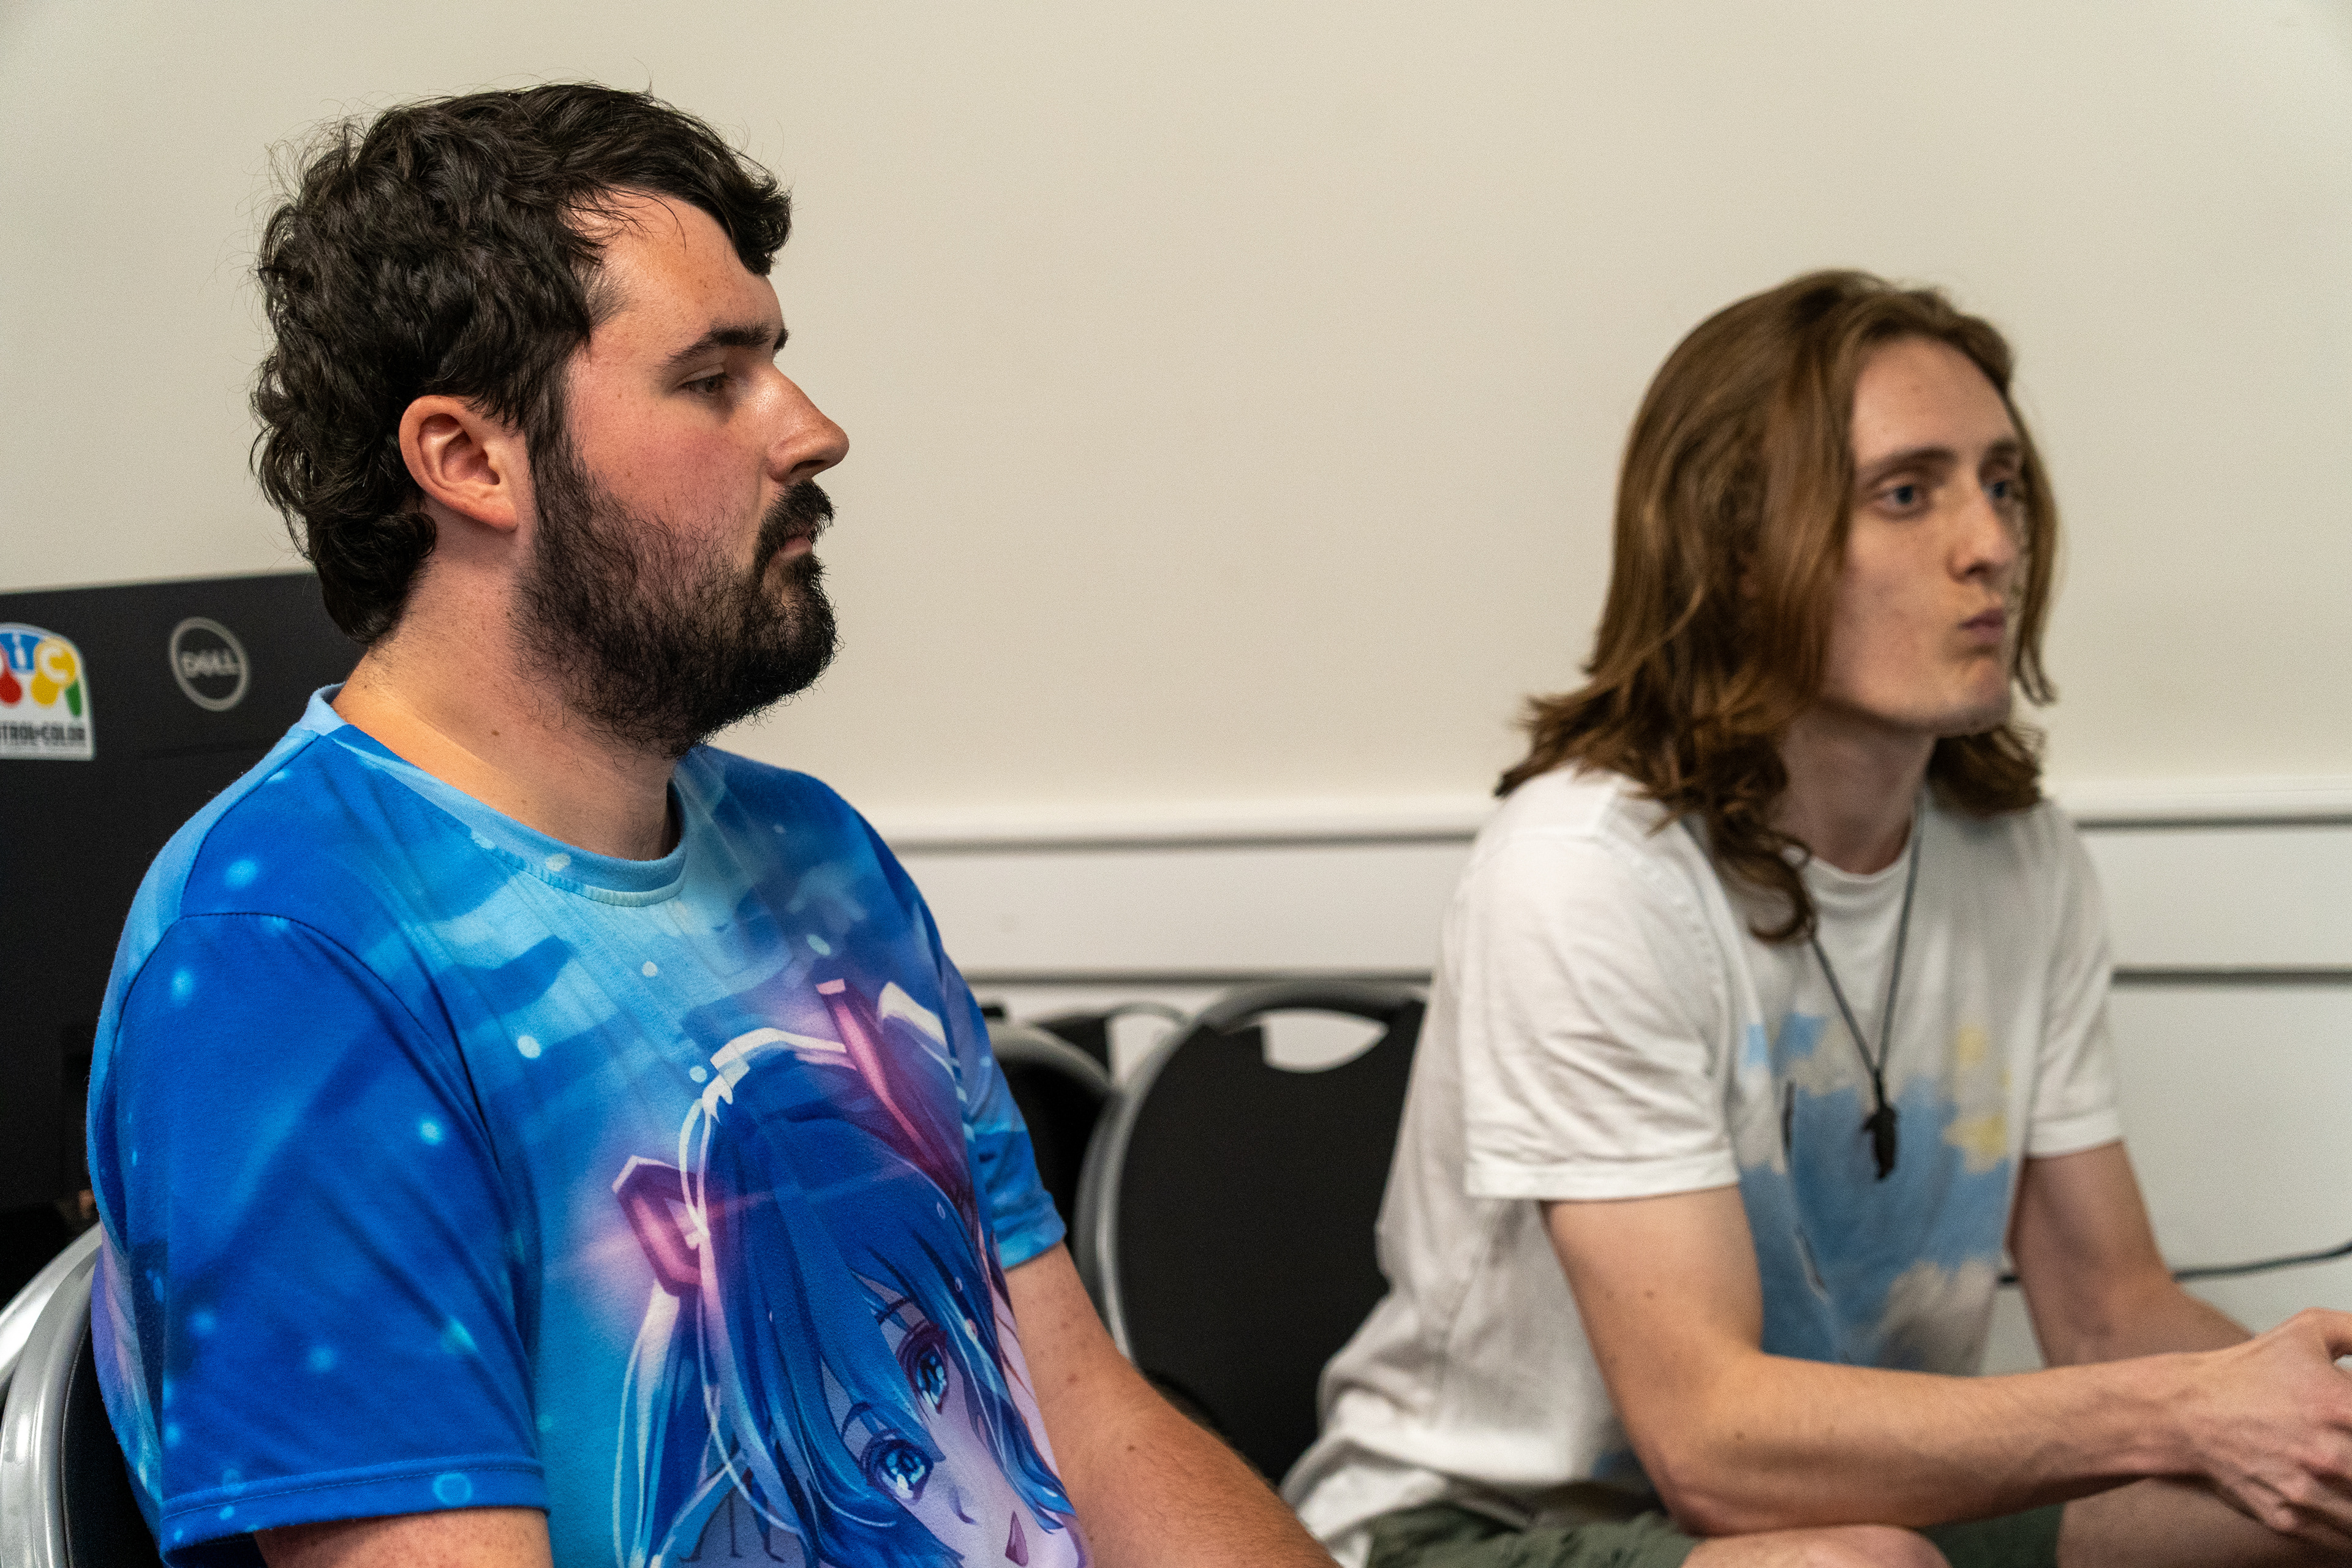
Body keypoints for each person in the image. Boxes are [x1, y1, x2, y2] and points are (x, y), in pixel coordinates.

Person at [85, 83, 1333, 1568]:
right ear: (470, 459)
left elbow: (1079, 1411)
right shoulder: (285, 953)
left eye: (776, 362)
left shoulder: (819, 857)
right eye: (712, 378)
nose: (814, 430)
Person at [1283, 271, 2352, 1568]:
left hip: (1846, 1510)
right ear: (1738, 554)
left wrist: (2312, 1426)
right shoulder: (1585, 872)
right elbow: (1713, 1444)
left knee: (2290, 1516)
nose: (1991, 544)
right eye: (1907, 493)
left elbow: (2110, 1310)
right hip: (1478, 1527)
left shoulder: (2023, 859)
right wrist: (2180, 1410)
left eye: (2003, 483)